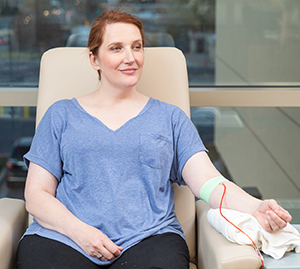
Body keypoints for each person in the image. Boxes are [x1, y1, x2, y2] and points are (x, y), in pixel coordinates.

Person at [16, 9, 292, 269]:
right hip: (66, 238)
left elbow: (209, 183)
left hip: (148, 239)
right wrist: (80, 232)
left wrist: (256, 207)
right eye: (116, 48)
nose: (130, 57)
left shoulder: (170, 118)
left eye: (137, 47)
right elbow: (36, 195)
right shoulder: (61, 115)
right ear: (94, 59)